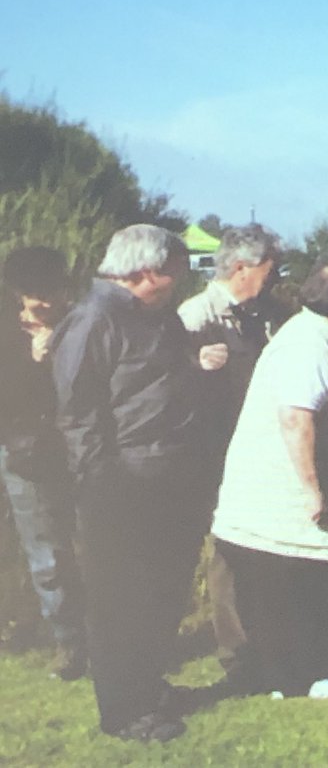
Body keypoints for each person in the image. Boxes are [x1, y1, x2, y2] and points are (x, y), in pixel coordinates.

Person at [50, 225, 206, 742]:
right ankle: (122, 710)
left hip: (167, 478)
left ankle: (149, 688)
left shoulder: (154, 318)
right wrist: (103, 486)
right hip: (121, 487)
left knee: (158, 593)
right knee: (119, 601)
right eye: (175, 275)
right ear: (146, 274)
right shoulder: (95, 318)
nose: (180, 284)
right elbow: (78, 412)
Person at [210, 261, 328, 698]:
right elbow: (294, 417)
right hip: (283, 499)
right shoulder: (305, 344)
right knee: (286, 594)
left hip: (312, 498)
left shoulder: (326, 339)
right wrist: (311, 488)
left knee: (318, 586)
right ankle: (293, 679)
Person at [177, 223, 283, 692]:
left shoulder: (258, 315)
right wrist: (194, 365)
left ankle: (255, 643)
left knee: (248, 550)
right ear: (241, 269)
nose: (274, 278)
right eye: (269, 270)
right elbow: (158, 380)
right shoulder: (196, 315)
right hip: (209, 456)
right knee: (220, 553)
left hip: (252, 452)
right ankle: (234, 655)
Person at [0, 247, 87, 680]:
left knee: (72, 548)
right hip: (23, 450)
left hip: (75, 449)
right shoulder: (7, 333)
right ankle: (59, 638)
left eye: (53, 293)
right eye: (36, 297)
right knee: (42, 553)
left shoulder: (79, 324)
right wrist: (33, 362)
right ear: (18, 294)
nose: (46, 304)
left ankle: (81, 640)